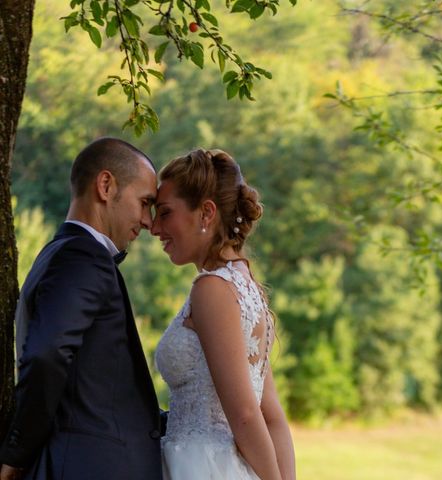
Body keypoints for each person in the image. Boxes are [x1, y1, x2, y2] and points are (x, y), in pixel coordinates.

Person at [0, 138, 164, 480]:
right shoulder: (82, 258)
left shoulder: (57, 254)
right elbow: (47, 354)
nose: (149, 222)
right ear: (106, 186)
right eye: (144, 203)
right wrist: (17, 453)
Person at [152, 148, 295, 480]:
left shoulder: (212, 289)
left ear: (206, 212)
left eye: (165, 213)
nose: (154, 227)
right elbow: (271, 414)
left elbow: (247, 414)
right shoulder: (246, 286)